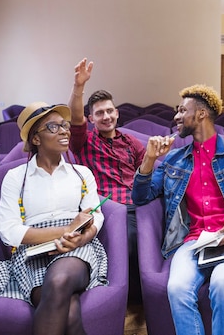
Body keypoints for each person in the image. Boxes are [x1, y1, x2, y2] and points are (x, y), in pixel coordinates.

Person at [131, 84, 224, 335]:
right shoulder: (174, 160)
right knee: (177, 288)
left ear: (200, 114)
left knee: (222, 282)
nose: (176, 116)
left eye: (182, 110)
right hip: (193, 241)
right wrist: (149, 160)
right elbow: (141, 197)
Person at [0, 102, 108, 335]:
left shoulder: (82, 173)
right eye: (54, 127)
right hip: (32, 252)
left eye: (64, 125)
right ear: (36, 139)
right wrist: (66, 229)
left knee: (57, 282)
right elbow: (8, 230)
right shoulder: (16, 177)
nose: (65, 131)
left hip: (77, 248)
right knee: (70, 310)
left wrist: (81, 237)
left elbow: (95, 215)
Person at [68, 58, 146, 303]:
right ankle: (128, 297)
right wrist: (78, 87)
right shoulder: (84, 142)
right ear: (90, 118)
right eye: (99, 113)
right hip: (107, 207)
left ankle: (150, 291)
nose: (106, 116)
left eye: (110, 111)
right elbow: (74, 118)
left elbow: (146, 173)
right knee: (131, 241)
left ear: (117, 113)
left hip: (136, 204)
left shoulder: (131, 142)